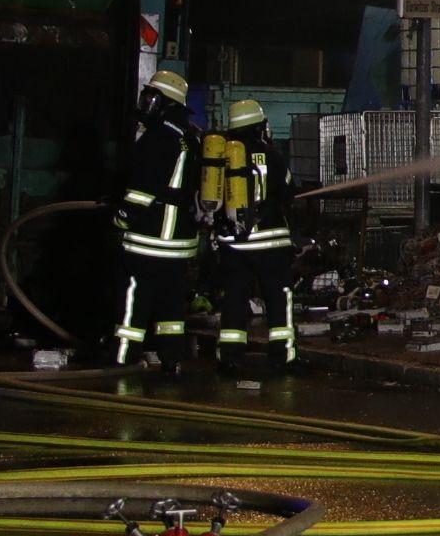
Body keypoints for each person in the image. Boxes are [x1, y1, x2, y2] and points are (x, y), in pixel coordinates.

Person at [106, 68, 206, 369]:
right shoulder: (191, 137)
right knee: (171, 306)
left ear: (165, 103)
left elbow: (143, 189)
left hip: (149, 239)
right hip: (180, 244)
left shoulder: (159, 136)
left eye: (151, 98)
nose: (145, 104)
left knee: (134, 300)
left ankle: (123, 357)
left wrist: (121, 217)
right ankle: (171, 359)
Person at [205, 98, 299, 374]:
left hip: (234, 244)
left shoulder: (221, 156)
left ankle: (229, 357)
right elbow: (288, 194)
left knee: (234, 299)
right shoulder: (271, 155)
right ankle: (283, 356)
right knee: (278, 299)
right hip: (270, 242)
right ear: (259, 127)